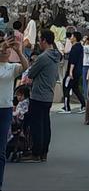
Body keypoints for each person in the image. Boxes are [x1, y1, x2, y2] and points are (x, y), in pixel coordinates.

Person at [25, 29, 61, 162]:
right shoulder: (56, 56)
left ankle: (36, 152)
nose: (39, 42)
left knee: (36, 125)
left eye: (40, 39)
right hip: (48, 94)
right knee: (45, 123)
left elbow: (31, 73)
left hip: (38, 94)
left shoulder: (43, 57)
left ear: (44, 40)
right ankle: (44, 152)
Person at [0, 33, 27, 185]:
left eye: (6, 50)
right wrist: (3, 45)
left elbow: (25, 66)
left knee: (1, 150)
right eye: (2, 50)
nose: (4, 52)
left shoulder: (12, 68)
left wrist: (18, 51)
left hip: (5, 110)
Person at [62, 31, 85, 113]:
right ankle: (83, 104)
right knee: (75, 88)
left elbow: (73, 61)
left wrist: (70, 72)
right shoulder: (80, 47)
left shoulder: (75, 48)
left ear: (75, 37)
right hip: (78, 71)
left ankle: (66, 107)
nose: (70, 38)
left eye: (71, 36)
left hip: (73, 71)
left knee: (66, 86)